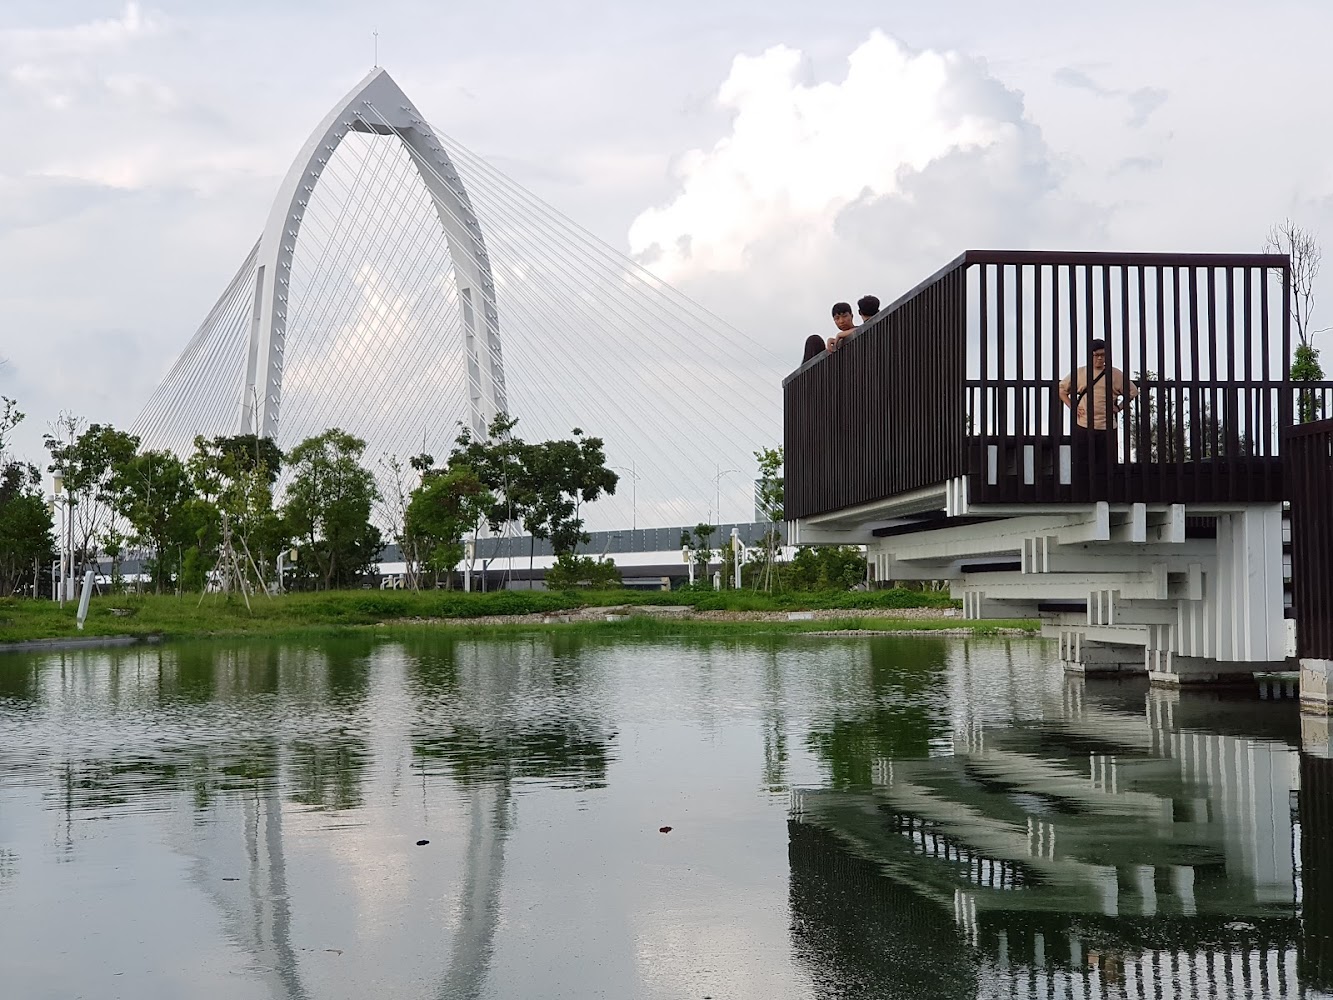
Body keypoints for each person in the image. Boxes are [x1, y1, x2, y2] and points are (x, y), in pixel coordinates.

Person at [1059, 338, 1138, 467]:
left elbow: (1133, 391)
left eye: (1103, 355)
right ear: (1090, 355)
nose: (1100, 358)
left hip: (1107, 427)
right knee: (1083, 466)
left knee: (1106, 468)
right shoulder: (1081, 373)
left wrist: (1119, 407)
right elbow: (1061, 390)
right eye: (1097, 355)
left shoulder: (1114, 374)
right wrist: (1072, 406)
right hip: (1084, 425)